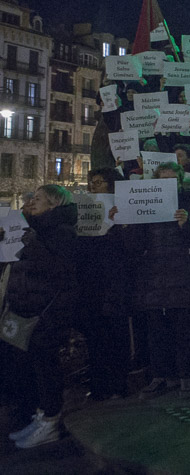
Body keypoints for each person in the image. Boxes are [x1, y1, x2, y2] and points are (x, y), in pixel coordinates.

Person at [112, 162, 190, 399]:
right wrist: (125, 224)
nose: (167, 183)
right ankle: (161, 377)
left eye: (172, 179)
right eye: (162, 179)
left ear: (179, 181)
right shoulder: (145, 202)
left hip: (185, 278)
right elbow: (134, 245)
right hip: (154, 279)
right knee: (157, 333)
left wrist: (188, 224)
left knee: (185, 332)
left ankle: (187, 377)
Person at [3, 185, 78, 449]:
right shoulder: (32, 229)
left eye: (38, 199)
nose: (31, 203)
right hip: (27, 308)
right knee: (34, 365)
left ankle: (50, 421)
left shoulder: (62, 232)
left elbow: (57, 269)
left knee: (46, 366)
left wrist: (30, 242)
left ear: (54, 204)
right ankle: (41, 415)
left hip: (48, 311)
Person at [75, 168, 131, 402]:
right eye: (91, 183)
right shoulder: (85, 212)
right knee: (96, 338)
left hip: (114, 284)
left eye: (98, 183)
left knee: (115, 336)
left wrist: (120, 225)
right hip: (91, 284)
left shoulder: (122, 213)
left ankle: (118, 385)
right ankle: (99, 386)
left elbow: (130, 250)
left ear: (111, 186)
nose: (93, 187)